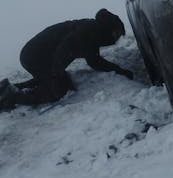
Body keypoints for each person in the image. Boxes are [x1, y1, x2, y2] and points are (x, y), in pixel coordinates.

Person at [0, 9, 133, 111]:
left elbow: (94, 60)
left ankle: (8, 88)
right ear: (109, 29)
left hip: (32, 55)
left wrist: (118, 70)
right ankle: (10, 98)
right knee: (59, 90)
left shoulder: (92, 30)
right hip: (34, 57)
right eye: (116, 34)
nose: (116, 39)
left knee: (49, 79)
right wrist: (56, 73)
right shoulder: (89, 31)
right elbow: (65, 48)